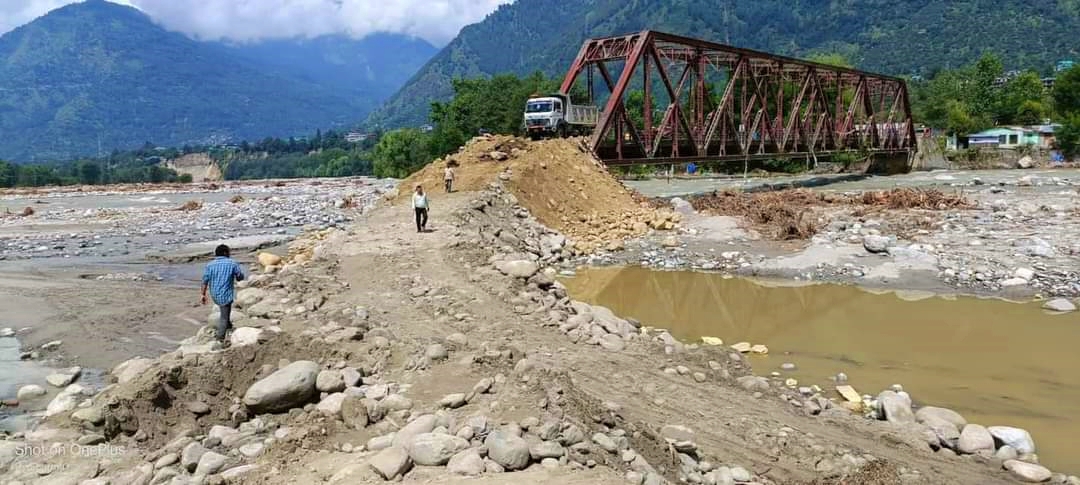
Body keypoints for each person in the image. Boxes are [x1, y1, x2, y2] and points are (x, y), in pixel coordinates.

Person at [201, 244, 245, 343]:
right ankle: (220, 339)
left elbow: (204, 281)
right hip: (225, 294)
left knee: (225, 312)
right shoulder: (232, 263)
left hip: (214, 294)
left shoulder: (210, 265)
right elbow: (239, 277)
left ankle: (229, 327)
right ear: (225, 253)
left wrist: (203, 295)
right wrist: (239, 276)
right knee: (224, 317)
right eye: (229, 252)